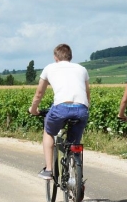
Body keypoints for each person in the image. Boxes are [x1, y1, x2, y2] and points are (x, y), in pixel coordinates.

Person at [29, 44, 90, 180]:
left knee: (49, 131)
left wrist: (33, 110)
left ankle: (49, 170)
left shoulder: (49, 68)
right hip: (81, 109)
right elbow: (87, 93)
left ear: (55, 57)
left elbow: (39, 93)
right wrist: (85, 109)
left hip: (61, 108)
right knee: (74, 143)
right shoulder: (82, 69)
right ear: (70, 56)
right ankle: (76, 174)